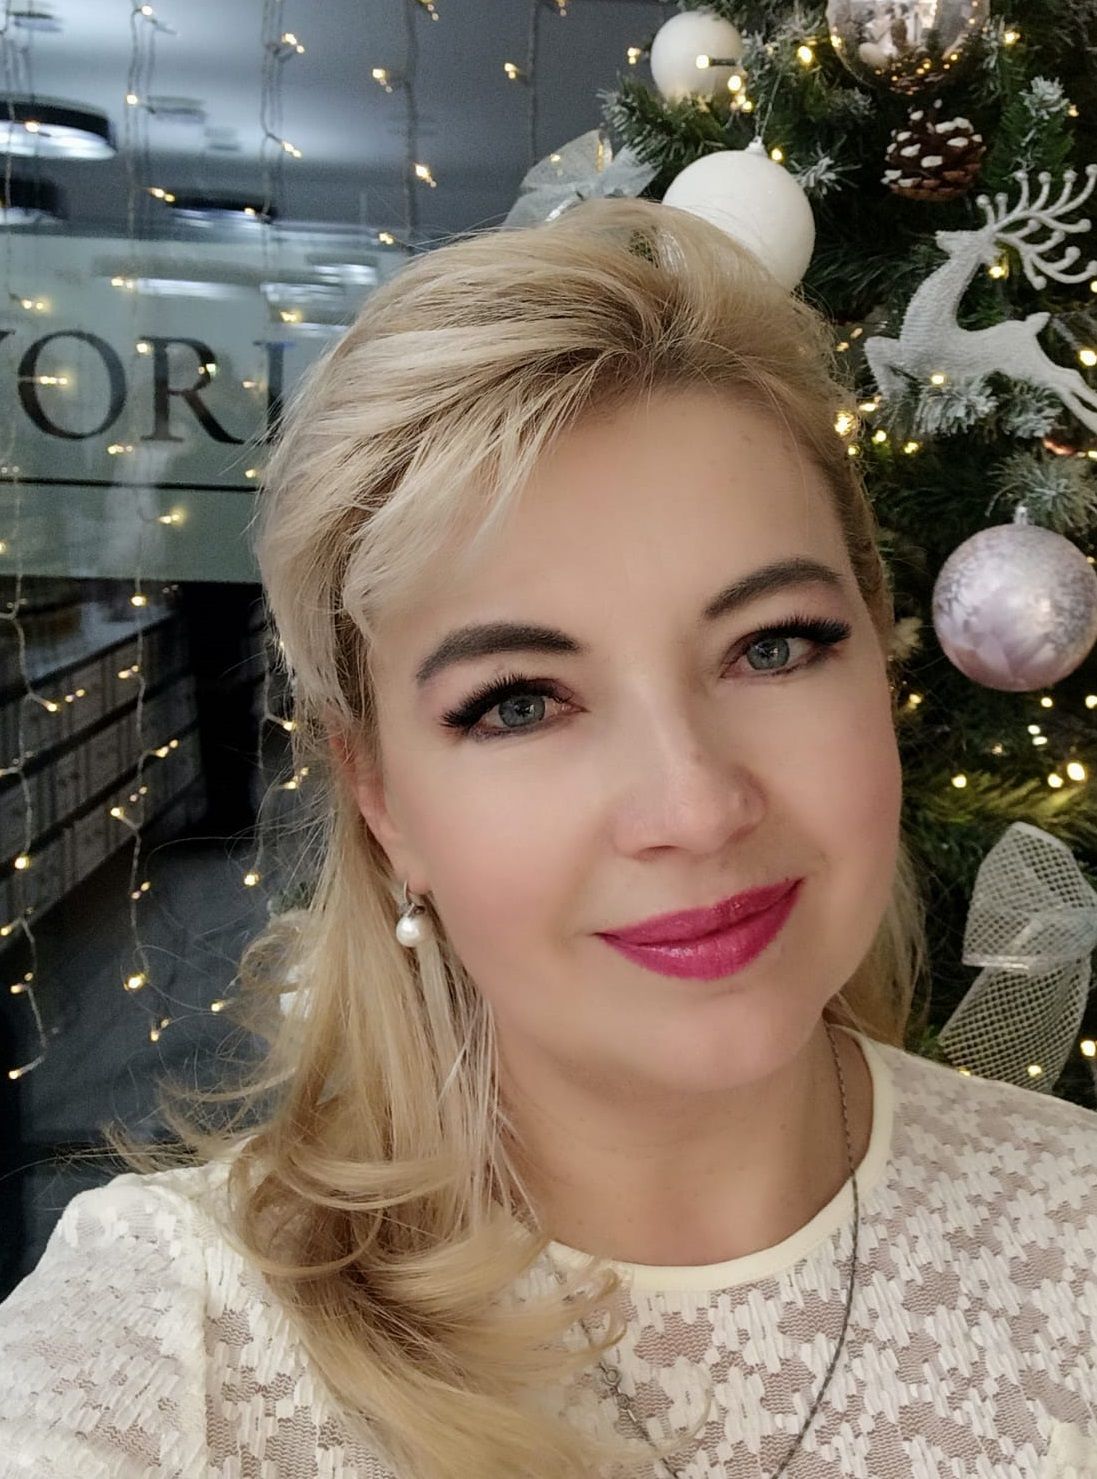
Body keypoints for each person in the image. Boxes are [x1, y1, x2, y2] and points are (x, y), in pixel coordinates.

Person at [1, 196, 1095, 1479]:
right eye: (518, 703)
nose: (694, 807)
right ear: (380, 799)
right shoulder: (173, 1338)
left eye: (771, 647)